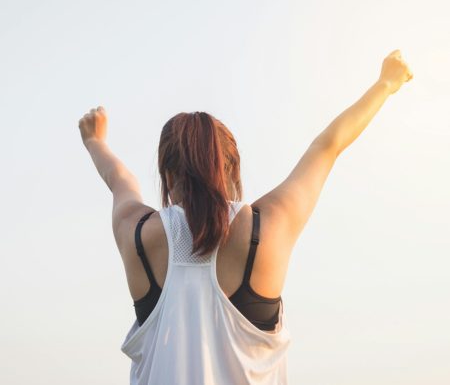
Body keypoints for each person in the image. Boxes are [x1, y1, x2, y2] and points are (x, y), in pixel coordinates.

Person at [78, 49, 413, 384]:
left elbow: (120, 179)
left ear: (166, 176)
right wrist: (385, 83)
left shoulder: (137, 235)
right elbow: (327, 146)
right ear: (233, 170)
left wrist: (95, 141)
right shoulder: (268, 228)